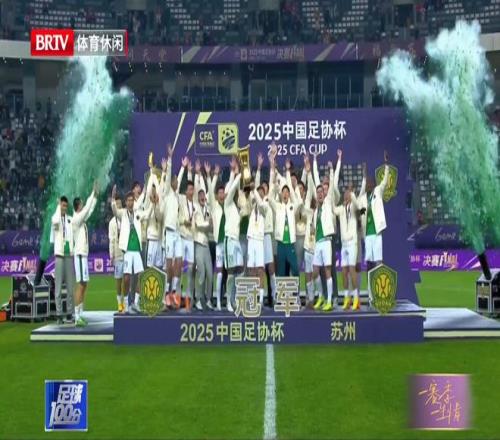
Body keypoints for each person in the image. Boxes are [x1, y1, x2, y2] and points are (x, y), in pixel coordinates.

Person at [111, 185, 153, 313]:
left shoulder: (137, 214)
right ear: (125, 202)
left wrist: (153, 203)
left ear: (133, 202)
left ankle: (135, 303)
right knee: (127, 278)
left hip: (137, 250)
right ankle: (125, 304)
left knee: (140, 276)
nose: (130, 202)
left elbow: (147, 214)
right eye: (128, 201)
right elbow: (115, 211)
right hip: (128, 251)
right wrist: (113, 198)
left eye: (131, 200)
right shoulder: (122, 214)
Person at [311, 149, 341, 312]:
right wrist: (314, 161)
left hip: (327, 241)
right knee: (316, 272)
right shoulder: (316, 210)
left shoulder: (329, 202)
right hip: (318, 243)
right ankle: (322, 296)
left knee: (328, 271)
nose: (320, 194)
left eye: (322, 191)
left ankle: (329, 299)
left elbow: (331, 182)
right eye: (318, 192)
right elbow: (316, 179)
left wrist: (331, 169)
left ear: (326, 193)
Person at [358, 151, 389, 304]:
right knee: (369, 264)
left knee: (379, 263)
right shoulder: (363, 199)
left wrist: (386, 165)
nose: (370, 185)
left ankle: (379, 293)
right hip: (367, 235)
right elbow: (360, 212)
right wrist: (364, 174)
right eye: (368, 183)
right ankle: (370, 294)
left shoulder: (378, 192)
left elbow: (385, 181)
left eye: (371, 183)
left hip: (377, 233)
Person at [158, 145, 184, 308]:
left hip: (178, 233)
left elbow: (178, 177)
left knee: (179, 262)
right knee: (169, 264)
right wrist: (170, 159)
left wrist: (183, 168)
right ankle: (166, 292)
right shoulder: (167, 193)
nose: (177, 182)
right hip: (168, 232)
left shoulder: (177, 195)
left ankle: (174, 291)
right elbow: (168, 178)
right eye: (175, 180)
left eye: (177, 181)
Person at [268, 151, 302, 277]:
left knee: (295, 269)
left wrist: (288, 172)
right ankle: (281, 290)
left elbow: (298, 199)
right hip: (281, 244)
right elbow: (270, 197)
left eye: (287, 192)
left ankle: (296, 289)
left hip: (290, 243)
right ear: (281, 194)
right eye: (284, 192)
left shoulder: (293, 206)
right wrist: (272, 170)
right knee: (281, 271)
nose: (286, 193)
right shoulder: (278, 206)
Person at [72, 182, 98, 326]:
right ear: (78, 206)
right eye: (81, 204)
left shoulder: (81, 220)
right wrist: (92, 193)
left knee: (84, 284)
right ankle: (77, 316)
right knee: (81, 284)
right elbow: (87, 209)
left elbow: (90, 209)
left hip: (83, 255)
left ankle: (80, 313)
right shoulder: (76, 219)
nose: (83, 205)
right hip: (80, 255)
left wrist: (95, 197)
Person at [255, 153, 276, 304]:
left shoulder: (269, 199)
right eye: (260, 189)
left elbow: (272, 180)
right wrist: (258, 168)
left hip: (268, 236)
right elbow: (256, 186)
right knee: (259, 269)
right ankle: (260, 298)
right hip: (258, 237)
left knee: (271, 268)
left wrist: (271, 162)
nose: (262, 190)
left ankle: (274, 295)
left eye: (264, 188)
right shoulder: (257, 202)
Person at [334, 188, 360, 310]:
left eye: (348, 194)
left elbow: (358, 205)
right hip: (344, 244)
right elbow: (333, 209)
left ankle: (356, 298)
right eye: (345, 194)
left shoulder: (354, 207)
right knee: (344, 272)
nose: (346, 195)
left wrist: (352, 194)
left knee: (352, 269)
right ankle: (346, 298)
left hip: (352, 243)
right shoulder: (341, 209)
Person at [51, 195, 75, 325]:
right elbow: (55, 221)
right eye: (62, 205)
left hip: (69, 255)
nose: (64, 208)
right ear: (60, 206)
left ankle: (70, 313)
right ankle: (59, 314)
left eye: (65, 206)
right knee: (58, 287)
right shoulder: (55, 219)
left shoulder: (70, 220)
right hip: (59, 256)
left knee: (70, 287)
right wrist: (57, 207)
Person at [224, 157, 244, 312]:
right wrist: (237, 173)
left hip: (236, 241)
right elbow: (230, 191)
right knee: (231, 272)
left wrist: (236, 173)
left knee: (240, 270)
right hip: (229, 240)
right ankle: (228, 301)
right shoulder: (228, 204)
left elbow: (237, 190)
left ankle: (235, 299)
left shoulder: (238, 210)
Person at [193, 161, 213, 310]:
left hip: (206, 245)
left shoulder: (207, 208)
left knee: (210, 274)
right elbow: (200, 225)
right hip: (198, 244)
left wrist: (206, 175)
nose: (202, 197)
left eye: (203, 195)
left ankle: (209, 299)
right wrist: (197, 174)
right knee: (201, 273)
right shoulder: (195, 208)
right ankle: (199, 299)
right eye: (199, 195)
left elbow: (210, 228)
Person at [178, 157, 196, 311]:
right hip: (182, 237)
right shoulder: (182, 200)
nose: (192, 191)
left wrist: (191, 171)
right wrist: (184, 169)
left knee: (190, 270)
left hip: (191, 239)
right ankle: (178, 295)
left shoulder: (195, 203)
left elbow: (193, 183)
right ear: (186, 191)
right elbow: (178, 185)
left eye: (193, 189)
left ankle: (189, 297)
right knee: (179, 269)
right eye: (190, 189)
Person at [207, 163, 225, 311]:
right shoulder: (214, 206)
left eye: (223, 193)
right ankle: (218, 301)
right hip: (218, 244)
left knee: (229, 273)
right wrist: (211, 175)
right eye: (219, 193)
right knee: (219, 273)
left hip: (229, 243)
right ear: (217, 195)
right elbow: (210, 189)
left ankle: (229, 300)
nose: (221, 195)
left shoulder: (229, 205)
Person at [247, 184, 267, 305]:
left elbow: (260, 203)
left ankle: (260, 298)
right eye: (257, 192)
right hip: (251, 239)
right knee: (251, 269)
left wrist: (254, 190)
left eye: (261, 192)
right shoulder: (252, 206)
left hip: (259, 240)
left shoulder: (265, 206)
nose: (259, 194)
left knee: (260, 269)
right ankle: (252, 296)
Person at [108, 195, 125, 312]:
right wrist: (111, 255)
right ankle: (119, 303)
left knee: (128, 279)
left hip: (127, 252)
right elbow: (111, 240)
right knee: (119, 279)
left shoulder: (126, 218)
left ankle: (128, 302)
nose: (118, 206)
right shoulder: (112, 223)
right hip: (118, 253)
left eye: (120, 204)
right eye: (117, 204)